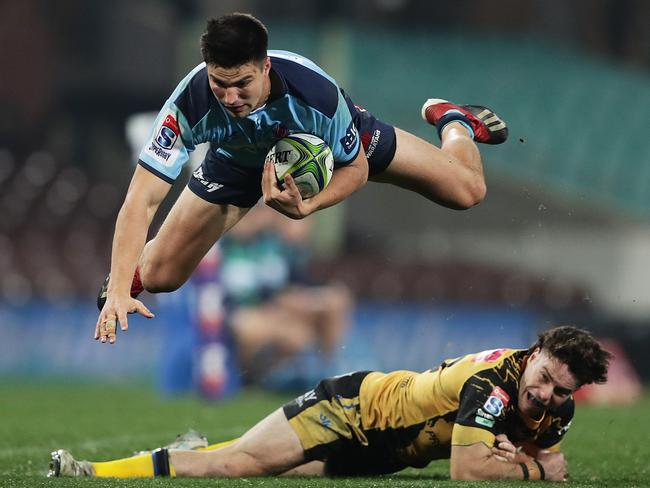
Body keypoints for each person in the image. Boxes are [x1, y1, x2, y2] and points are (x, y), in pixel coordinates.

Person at [95, 12, 508, 344]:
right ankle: (123, 279)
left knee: (467, 191)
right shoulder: (188, 103)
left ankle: (455, 122)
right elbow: (140, 200)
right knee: (160, 277)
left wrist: (310, 206)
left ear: (265, 67)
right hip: (236, 160)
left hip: (333, 146)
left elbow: (357, 168)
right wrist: (117, 292)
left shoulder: (316, 97)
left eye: (242, 84)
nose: (231, 98)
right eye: (221, 85)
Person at [50, 325, 611, 481]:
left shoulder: (555, 406)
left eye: (561, 391)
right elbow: (469, 471)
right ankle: (91, 471)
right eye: (541, 378)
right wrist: (532, 470)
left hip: (391, 452)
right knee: (239, 464)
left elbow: (530, 452)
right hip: (353, 410)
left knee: (276, 468)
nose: (545, 396)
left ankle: (199, 449)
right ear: (533, 352)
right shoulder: (489, 383)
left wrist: (524, 459)